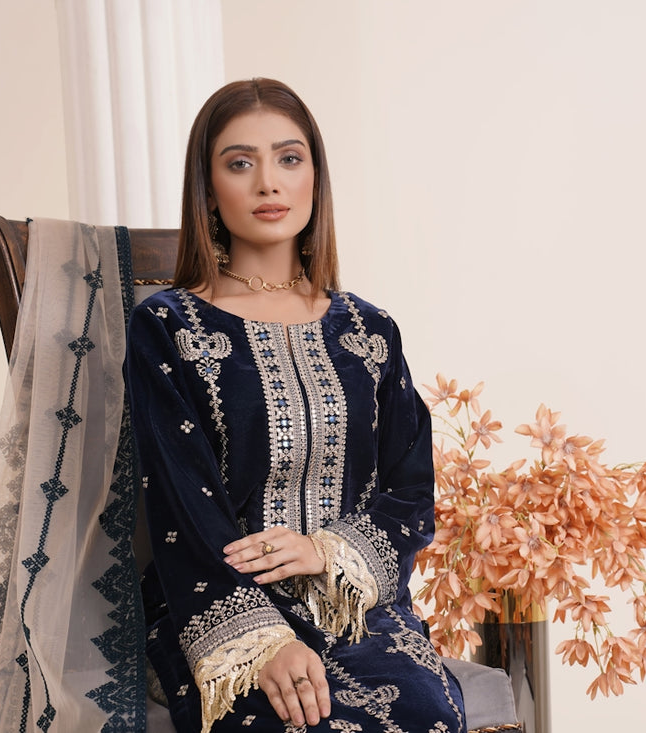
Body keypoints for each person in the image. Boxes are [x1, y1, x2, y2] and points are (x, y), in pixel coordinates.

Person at [125, 78, 466, 733]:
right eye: (239, 162)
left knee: (422, 718)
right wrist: (266, 642)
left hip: (355, 607)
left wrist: (325, 551)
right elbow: (180, 504)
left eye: (288, 158)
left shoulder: (370, 330)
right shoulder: (168, 328)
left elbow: (411, 492)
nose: (267, 184)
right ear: (208, 189)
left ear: (315, 176)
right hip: (221, 611)